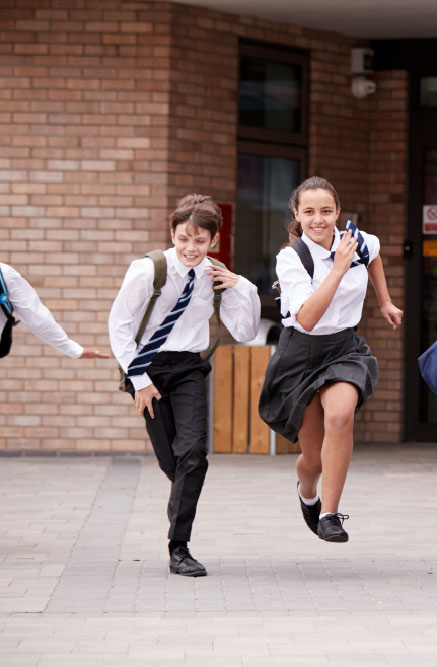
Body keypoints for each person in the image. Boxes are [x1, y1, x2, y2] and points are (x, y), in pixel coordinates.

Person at [109, 194, 260, 577]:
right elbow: (120, 328)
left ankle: (179, 547)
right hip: (147, 367)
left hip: (190, 368)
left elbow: (243, 331)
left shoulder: (217, 275)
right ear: (172, 234)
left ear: (214, 240)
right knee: (173, 462)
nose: (190, 248)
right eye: (183, 239)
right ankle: (184, 497)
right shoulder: (147, 271)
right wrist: (139, 381)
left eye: (199, 241)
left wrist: (242, 287)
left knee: (193, 453)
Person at [259, 176, 402, 543]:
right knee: (314, 459)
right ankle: (308, 492)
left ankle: (330, 514)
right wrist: (338, 269)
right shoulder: (291, 259)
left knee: (340, 416)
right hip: (301, 353)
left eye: (326, 210)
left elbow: (373, 260)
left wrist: (384, 300)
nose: (318, 219)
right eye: (309, 212)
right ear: (297, 214)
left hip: (343, 348)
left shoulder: (360, 241)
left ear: (338, 211)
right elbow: (306, 317)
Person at [0, 262, 109, 360]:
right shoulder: (4, 273)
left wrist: (73, 349)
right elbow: (36, 317)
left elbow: (36, 317)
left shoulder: (4, 275)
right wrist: (73, 349)